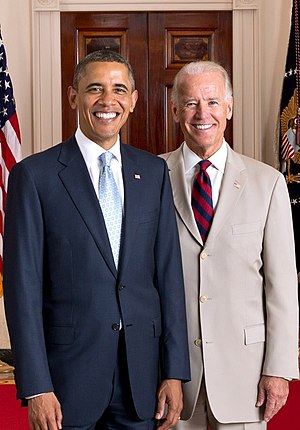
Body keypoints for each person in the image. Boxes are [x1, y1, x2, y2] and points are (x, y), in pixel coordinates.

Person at [3, 50, 190, 430]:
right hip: (65, 385)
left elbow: (169, 279)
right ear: (74, 97)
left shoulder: (153, 173)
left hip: (142, 382)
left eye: (119, 89)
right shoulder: (34, 177)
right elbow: (23, 291)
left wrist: (174, 371)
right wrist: (36, 386)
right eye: (95, 89)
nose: (108, 101)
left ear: (134, 100)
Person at [160, 60, 299, 430]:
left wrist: (279, 369)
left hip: (247, 375)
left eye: (213, 102)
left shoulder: (267, 184)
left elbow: (282, 286)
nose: (202, 113)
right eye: (190, 103)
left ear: (230, 107)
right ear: (175, 110)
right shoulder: (150, 180)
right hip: (170, 376)